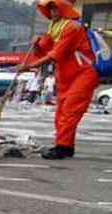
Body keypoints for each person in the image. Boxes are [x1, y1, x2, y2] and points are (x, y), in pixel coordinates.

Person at [18, 0, 98, 159]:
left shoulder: (72, 27)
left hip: (83, 74)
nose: (52, 13)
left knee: (69, 112)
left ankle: (61, 147)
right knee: (61, 112)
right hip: (66, 77)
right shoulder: (54, 28)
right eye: (50, 10)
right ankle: (66, 146)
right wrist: (36, 45)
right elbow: (43, 51)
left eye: (55, 9)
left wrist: (29, 66)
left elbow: (54, 55)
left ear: (64, 9)